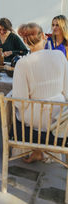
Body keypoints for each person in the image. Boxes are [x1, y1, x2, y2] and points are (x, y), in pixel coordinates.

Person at [12, 22, 68, 162]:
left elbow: (20, 102)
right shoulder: (60, 56)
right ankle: (39, 152)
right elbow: (67, 90)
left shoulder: (22, 63)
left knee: (16, 110)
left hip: (34, 122)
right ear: (43, 36)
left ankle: (35, 150)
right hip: (59, 120)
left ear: (25, 41)